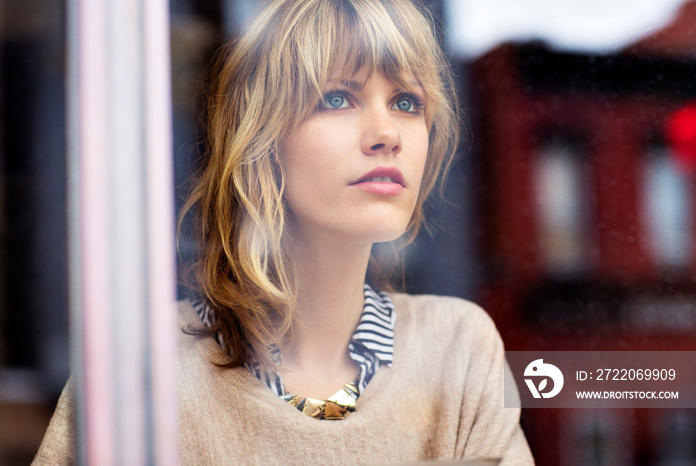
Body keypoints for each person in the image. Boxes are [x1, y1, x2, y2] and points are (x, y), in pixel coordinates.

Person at [35, 0, 533, 463]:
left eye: (407, 102)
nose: (388, 133)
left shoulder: (458, 348)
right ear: (263, 140)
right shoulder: (143, 362)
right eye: (338, 98)